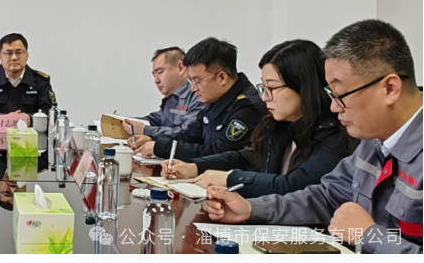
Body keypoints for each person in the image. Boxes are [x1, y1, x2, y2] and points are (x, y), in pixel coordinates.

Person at [202, 20, 423, 255]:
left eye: (340, 95)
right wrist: (250, 209)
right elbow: (326, 196)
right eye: (331, 94)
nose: (335, 107)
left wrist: (368, 235)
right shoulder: (373, 141)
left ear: (390, 88)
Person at [160, 40, 358, 199]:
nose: (264, 97)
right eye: (263, 87)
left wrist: (230, 179)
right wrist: (194, 167)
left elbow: (294, 186)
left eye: (272, 88)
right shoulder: (279, 126)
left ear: (303, 86)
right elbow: (247, 157)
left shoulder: (335, 135)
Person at [131, 38, 267, 161]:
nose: (193, 88)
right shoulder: (215, 100)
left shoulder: (247, 108)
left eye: (197, 81)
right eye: (191, 81)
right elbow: (190, 136)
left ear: (222, 78)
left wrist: (163, 148)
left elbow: (219, 153)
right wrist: (153, 140)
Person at [0, 34, 54, 126]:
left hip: (31, 133)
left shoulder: (40, 81)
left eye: (19, 52)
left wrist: (30, 119)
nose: (14, 57)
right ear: (0, 57)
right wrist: (6, 119)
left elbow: (50, 112)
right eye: (8, 53)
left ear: (27, 55)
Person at [122, 47, 205, 140]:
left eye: (160, 72)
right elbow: (155, 119)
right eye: (154, 75)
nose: (156, 80)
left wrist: (145, 130)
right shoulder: (171, 98)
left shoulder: (199, 95)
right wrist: (124, 121)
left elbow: (187, 133)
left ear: (180, 67)